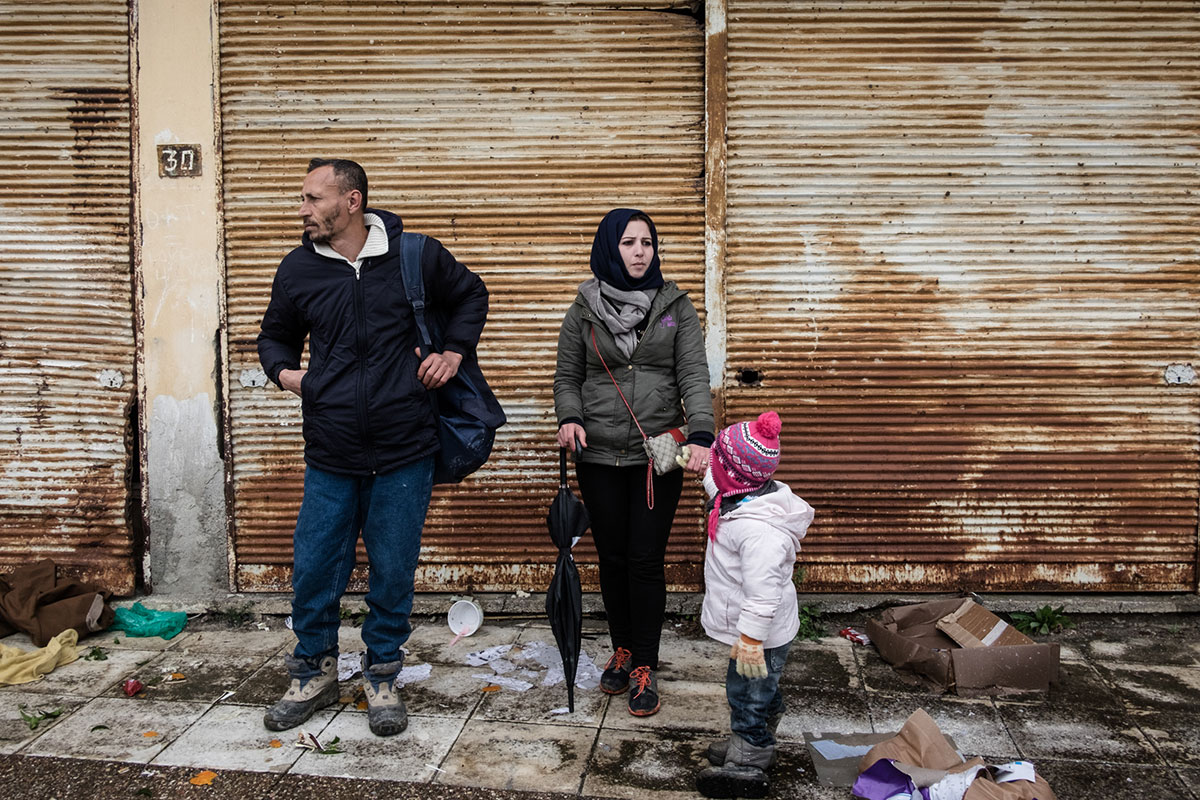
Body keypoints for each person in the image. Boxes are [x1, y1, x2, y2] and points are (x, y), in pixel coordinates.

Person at [256, 158, 489, 737]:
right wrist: (295, 378)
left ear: (352, 201)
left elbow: (471, 296)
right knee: (314, 566)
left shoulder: (414, 255)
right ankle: (313, 670)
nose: (303, 209)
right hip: (331, 448)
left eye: (313, 198)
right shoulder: (298, 269)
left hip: (406, 446)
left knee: (392, 570)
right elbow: (274, 337)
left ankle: (382, 674)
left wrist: (453, 353)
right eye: (303, 199)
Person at [554, 207, 715, 716]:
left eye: (647, 242)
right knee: (613, 558)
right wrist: (569, 417)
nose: (640, 252)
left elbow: (692, 372)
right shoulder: (583, 308)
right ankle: (621, 649)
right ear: (609, 247)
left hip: (657, 453)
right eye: (628, 243)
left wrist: (703, 434)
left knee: (645, 559)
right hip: (597, 452)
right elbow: (567, 377)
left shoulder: (675, 306)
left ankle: (645, 661)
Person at [694, 411, 814, 799]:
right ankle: (760, 724)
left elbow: (763, 594)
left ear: (731, 475)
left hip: (758, 634)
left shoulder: (759, 530)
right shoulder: (739, 497)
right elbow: (712, 472)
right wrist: (682, 457)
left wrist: (749, 639)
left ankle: (751, 751)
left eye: (714, 464)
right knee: (758, 689)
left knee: (745, 692)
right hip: (753, 630)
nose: (708, 470)